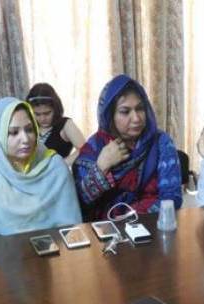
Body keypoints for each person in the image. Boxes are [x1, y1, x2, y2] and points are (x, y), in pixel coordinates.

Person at [0, 98, 82, 239]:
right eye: (13, 132)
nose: (25, 139)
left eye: (29, 130)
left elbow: (71, 229)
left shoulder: (54, 167)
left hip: (53, 251)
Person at [74, 74, 182, 220]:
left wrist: (130, 218)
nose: (136, 118)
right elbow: (79, 205)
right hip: (105, 233)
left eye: (140, 108)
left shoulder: (160, 143)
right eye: (125, 111)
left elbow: (171, 200)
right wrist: (101, 167)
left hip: (152, 226)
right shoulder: (95, 148)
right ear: (109, 115)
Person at [26, 83, 86, 165]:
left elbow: (85, 149)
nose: (42, 118)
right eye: (37, 114)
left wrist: (61, 165)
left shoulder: (65, 125)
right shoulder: (29, 126)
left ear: (55, 108)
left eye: (47, 113)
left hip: (57, 176)